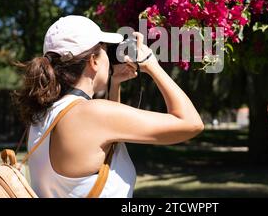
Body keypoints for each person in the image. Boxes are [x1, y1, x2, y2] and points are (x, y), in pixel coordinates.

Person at [13, 15, 204, 198]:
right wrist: (151, 65)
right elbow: (191, 123)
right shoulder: (92, 113)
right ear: (93, 61)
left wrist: (115, 84)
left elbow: (102, 144)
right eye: (105, 50)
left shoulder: (43, 115)